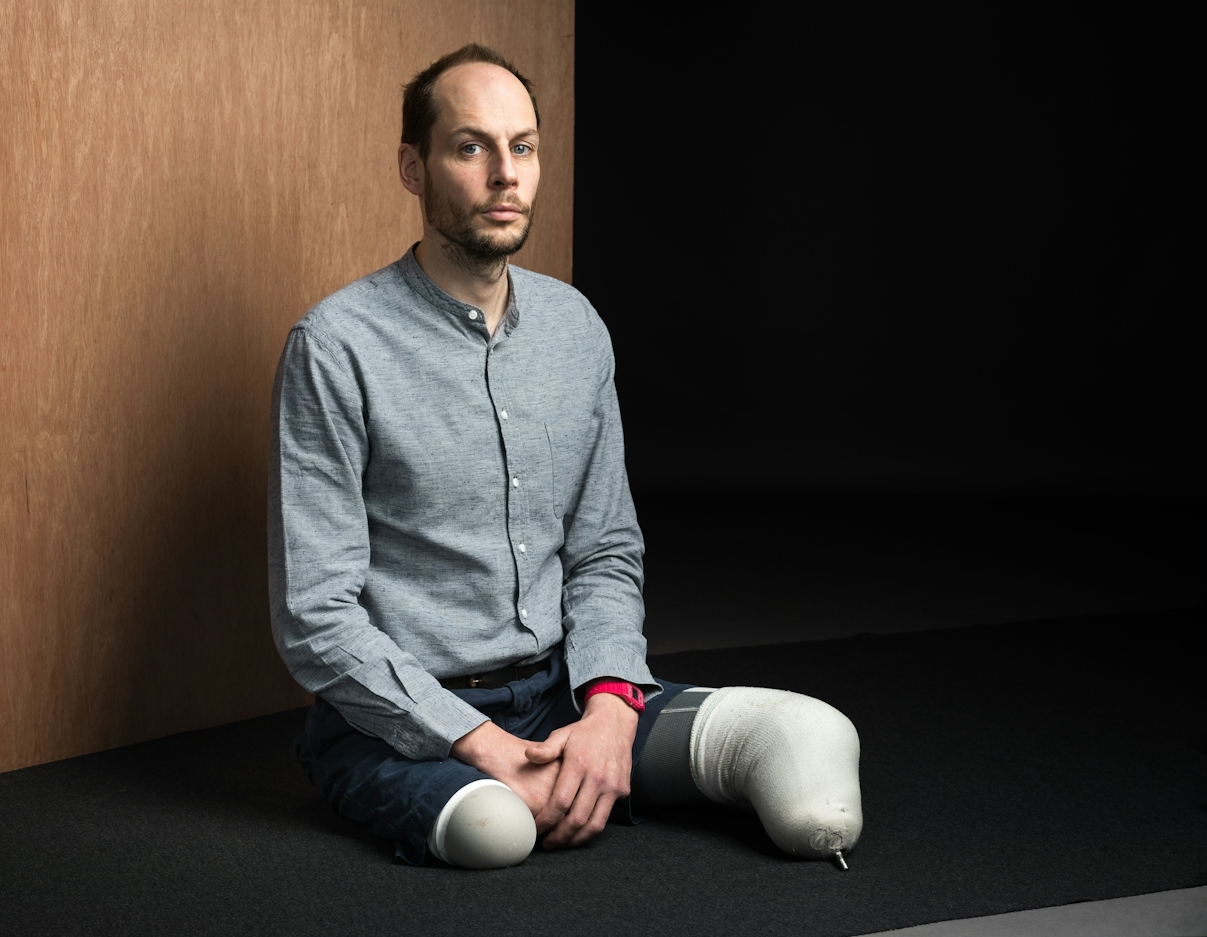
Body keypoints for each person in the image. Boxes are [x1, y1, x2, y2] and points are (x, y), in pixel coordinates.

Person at [268, 43, 863, 869]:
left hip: (563, 690)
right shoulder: (334, 346)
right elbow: (315, 617)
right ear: (414, 167)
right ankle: (514, 785)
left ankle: (588, 766)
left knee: (811, 737)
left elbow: (605, 549)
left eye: (523, 146)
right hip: (405, 722)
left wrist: (612, 709)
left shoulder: (576, 328)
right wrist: (481, 743)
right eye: (471, 147)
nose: (505, 175)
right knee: (497, 831)